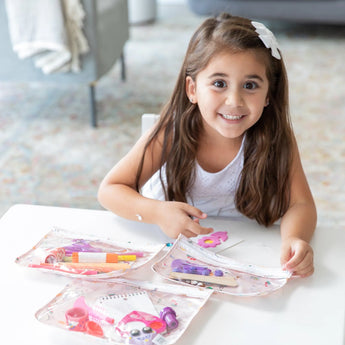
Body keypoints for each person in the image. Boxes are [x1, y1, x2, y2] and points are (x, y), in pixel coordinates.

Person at [98, 13, 317, 277]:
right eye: (219, 84)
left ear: (269, 95)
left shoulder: (276, 137)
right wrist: (157, 213)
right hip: (164, 248)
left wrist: (295, 239)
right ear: (192, 89)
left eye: (250, 85)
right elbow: (110, 190)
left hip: (240, 252)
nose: (234, 100)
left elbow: (301, 205)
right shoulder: (170, 131)